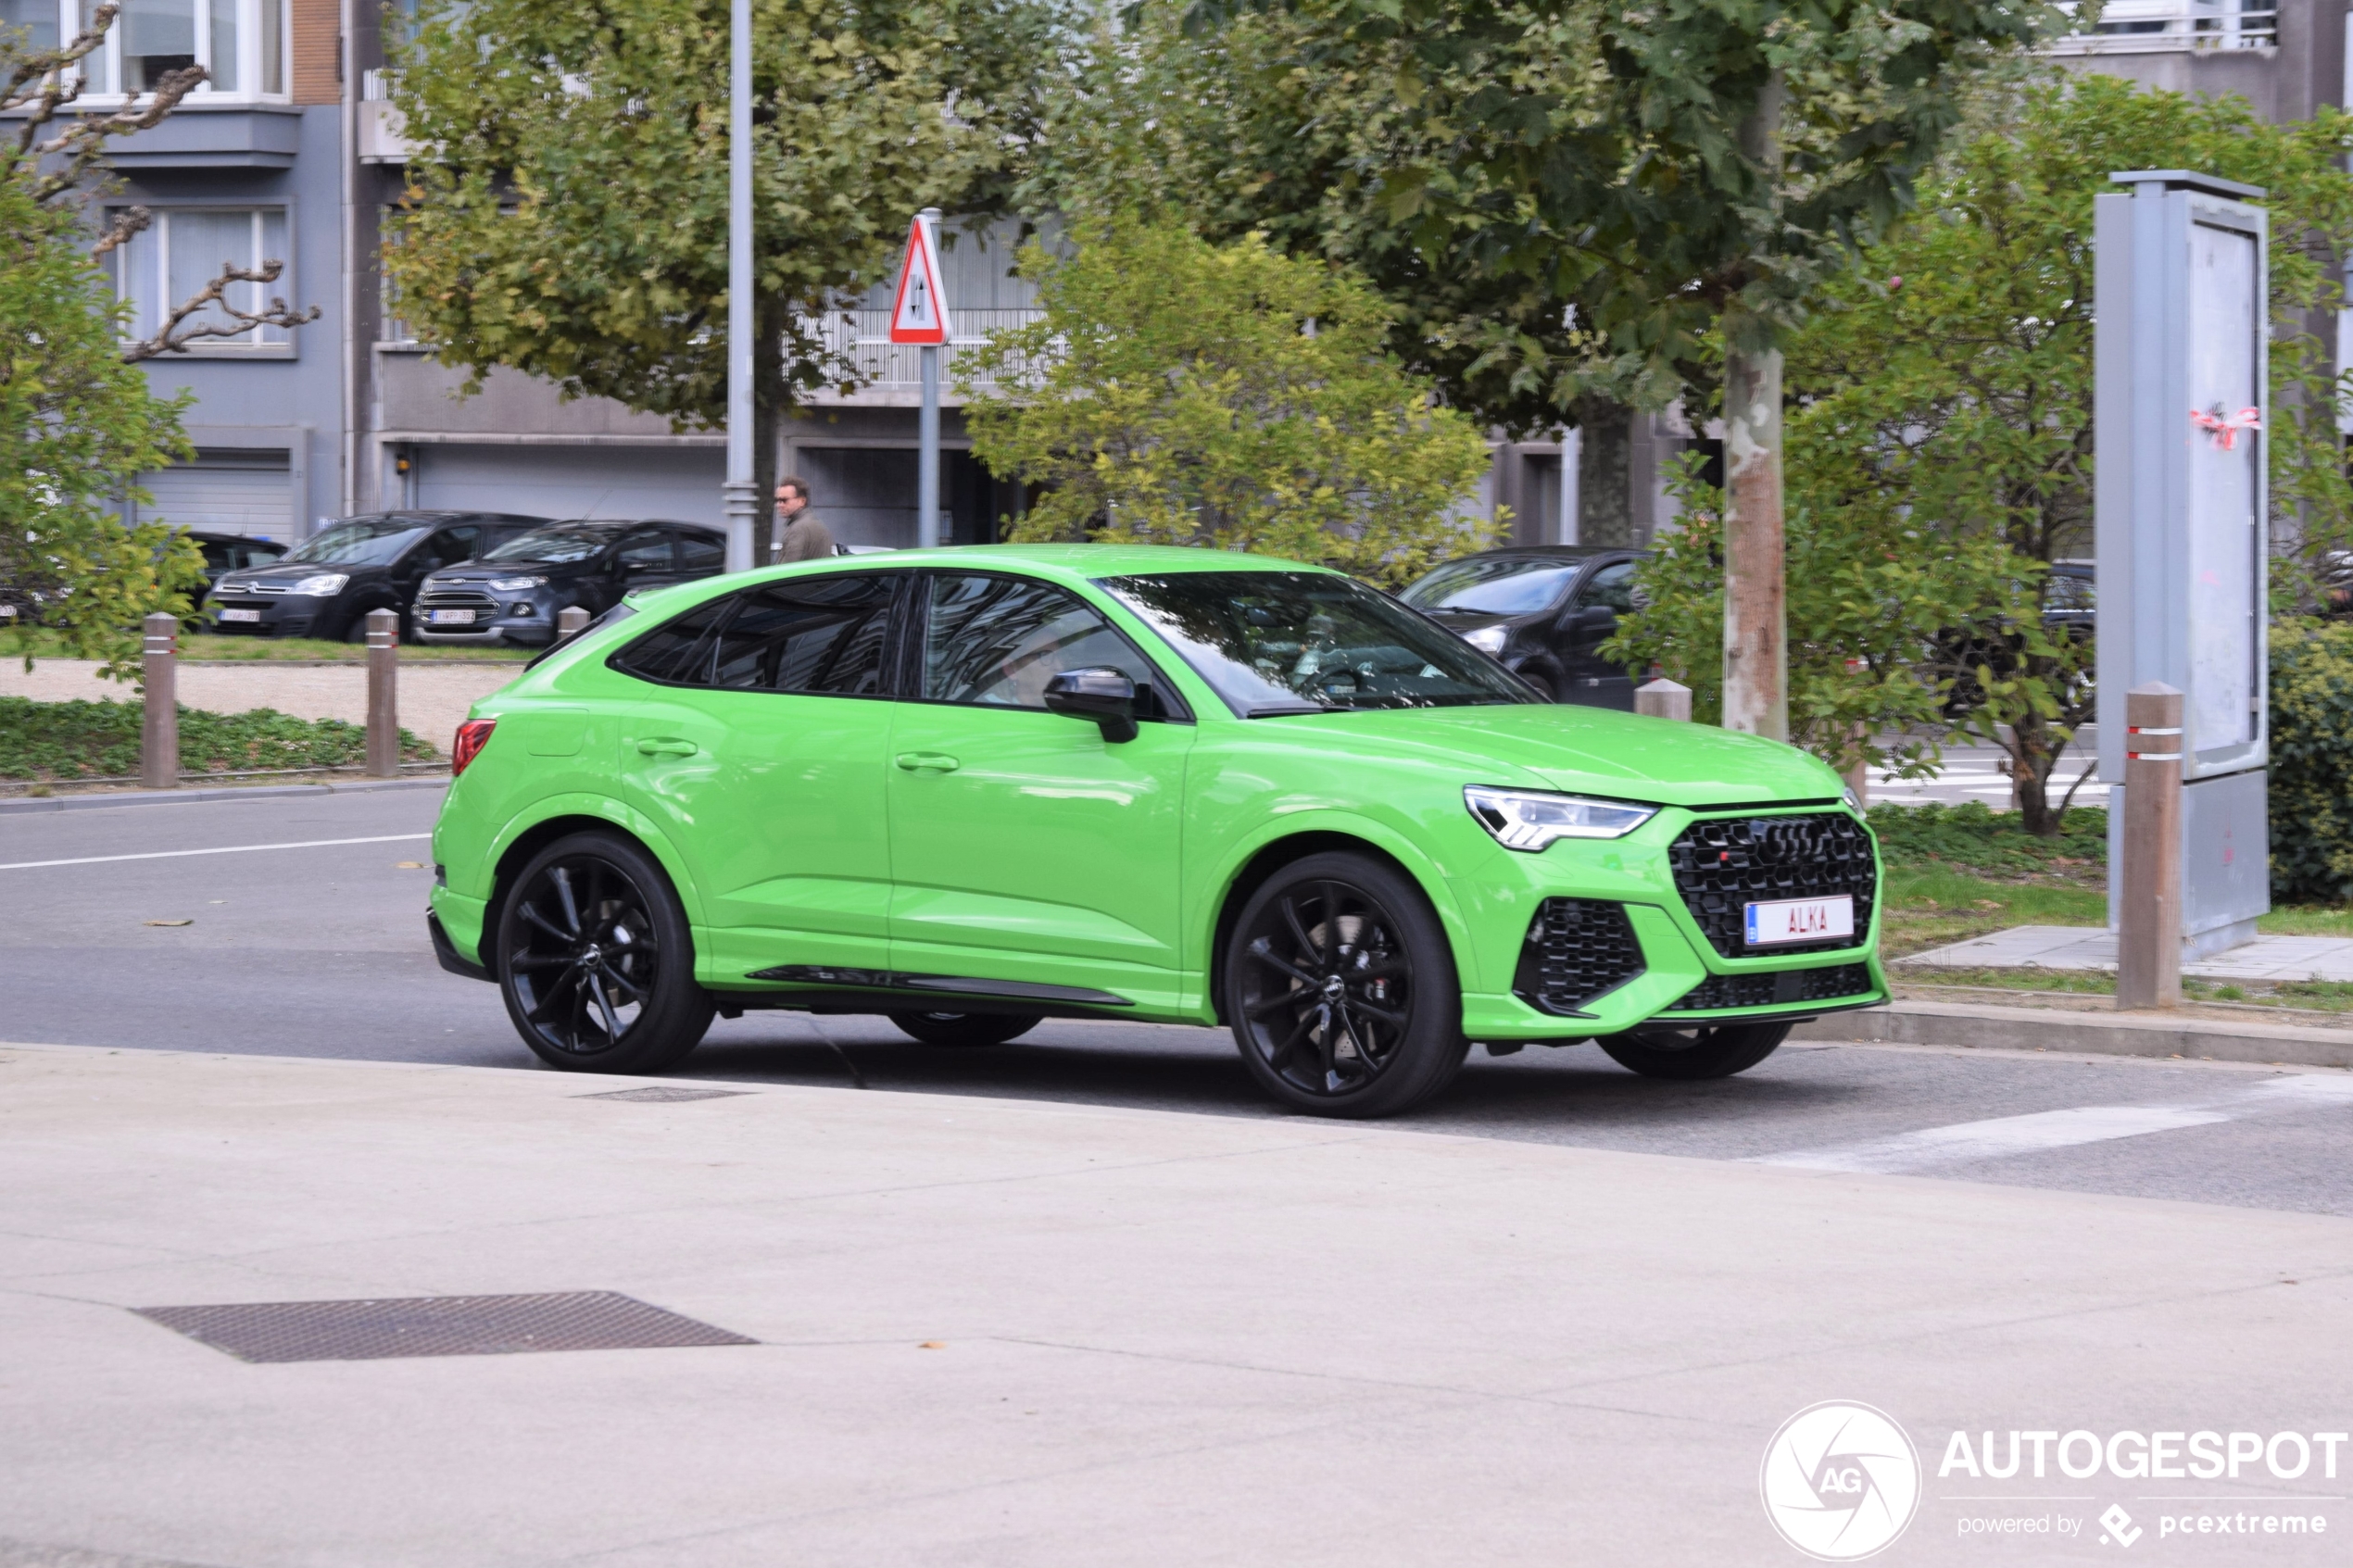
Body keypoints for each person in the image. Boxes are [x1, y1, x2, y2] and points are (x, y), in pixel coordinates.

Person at [773, 475, 837, 563]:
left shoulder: (798, 529)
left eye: (784, 500)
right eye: (777, 500)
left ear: (802, 501)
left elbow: (787, 570)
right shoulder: (815, 523)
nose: (779, 505)